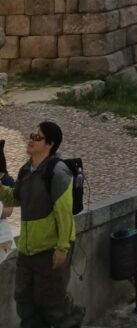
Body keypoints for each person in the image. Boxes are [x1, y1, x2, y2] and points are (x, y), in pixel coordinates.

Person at [0, 121, 84, 328]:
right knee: (25, 302)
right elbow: (16, 198)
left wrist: (62, 248)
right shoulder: (26, 170)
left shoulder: (58, 172)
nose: (31, 140)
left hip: (50, 249)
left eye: (37, 137)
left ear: (50, 144)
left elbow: (64, 213)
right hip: (27, 250)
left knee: (53, 304)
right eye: (31, 135)